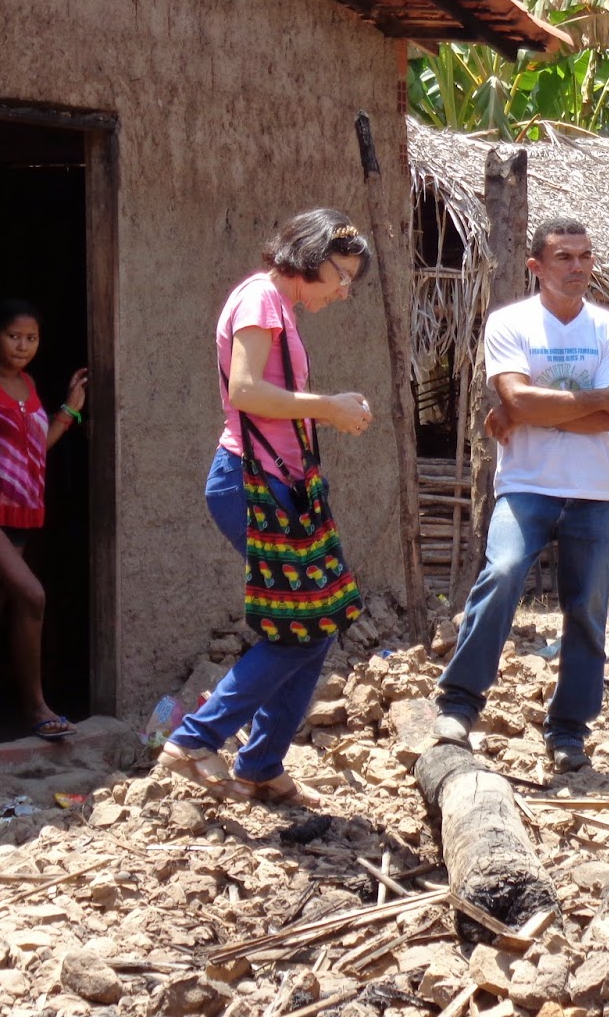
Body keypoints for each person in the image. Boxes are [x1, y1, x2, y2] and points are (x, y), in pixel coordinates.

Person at [159, 209, 374, 805]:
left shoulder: (276, 307)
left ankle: (260, 764)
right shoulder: (259, 300)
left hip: (281, 485)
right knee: (301, 629)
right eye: (341, 275)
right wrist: (326, 407)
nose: (342, 290)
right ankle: (196, 738)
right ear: (310, 256)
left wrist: (326, 406)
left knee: (319, 620)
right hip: (251, 485)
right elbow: (246, 392)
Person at [433, 219, 609, 773]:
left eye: (585, 256)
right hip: (525, 485)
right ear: (537, 267)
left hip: (593, 492)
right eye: (564, 257)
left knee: (589, 611)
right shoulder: (511, 323)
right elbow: (520, 399)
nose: (577, 267)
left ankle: (569, 731)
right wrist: (589, 401)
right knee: (500, 576)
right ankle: (458, 704)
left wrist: (535, 409)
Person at [0, 299, 89, 741]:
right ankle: (35, 708)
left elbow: (33, 449)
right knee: (31, 596)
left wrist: (71, 408)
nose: (23, 346)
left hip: (20, 513)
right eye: (13, 336)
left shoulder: (27, 383)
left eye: (32, 338)